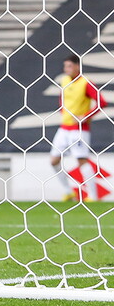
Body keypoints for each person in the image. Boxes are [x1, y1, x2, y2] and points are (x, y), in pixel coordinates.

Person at [51, 55, 108, 202]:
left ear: (77, 66)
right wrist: (62, 109)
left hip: (79, 129)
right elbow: (62, 97)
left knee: (81, 160)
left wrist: (86, 116)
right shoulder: (64, 81)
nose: (66, 69)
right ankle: (68, 192)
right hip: (64, 128)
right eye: (65, 66)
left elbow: (102, 102)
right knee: (54, 160)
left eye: (69, 66)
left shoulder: (86, 83)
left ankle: (93, 196)